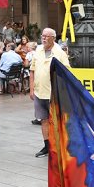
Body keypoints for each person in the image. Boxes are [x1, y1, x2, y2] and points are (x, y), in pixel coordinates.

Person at [30, 27, 70, 157]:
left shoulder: (60, 53)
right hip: (39, 92)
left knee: (57, 121)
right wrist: (31, 89)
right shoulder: (38, 50)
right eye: (43, 35)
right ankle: (47, 146)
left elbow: (67, 72)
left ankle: (59, 147)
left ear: (53, 38)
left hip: (54, 93)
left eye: (47, 36)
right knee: (44, 120)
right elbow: (32, 70)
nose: (44, 38)